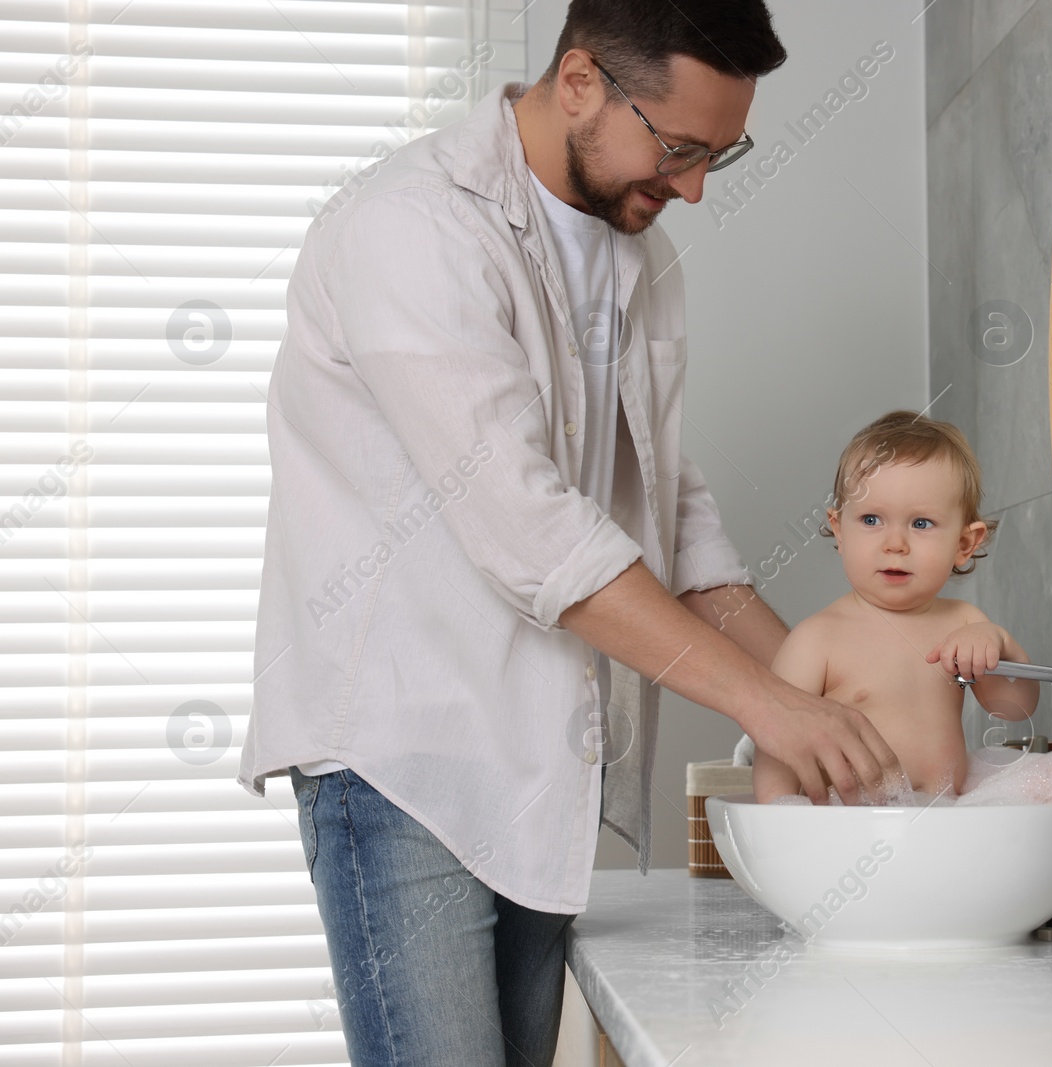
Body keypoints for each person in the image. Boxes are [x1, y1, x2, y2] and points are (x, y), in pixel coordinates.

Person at [237, 2, 901, 1064]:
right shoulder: (411, 228)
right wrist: (765, 704)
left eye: (717, 159)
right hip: (405, 761)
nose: (688, 188)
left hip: (542, 767)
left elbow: (669, 518)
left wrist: (845, 699)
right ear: (581, 81)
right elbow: (530, 528)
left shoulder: (640, 261)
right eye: (678, 148)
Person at [752, 411, 1040, 803]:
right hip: (849, 827)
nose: (895, 544)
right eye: (871, 519)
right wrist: (780, 815)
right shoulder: (818, 639)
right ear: (840, 530)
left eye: (921, 524)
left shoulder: (965, 623)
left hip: (943, 820)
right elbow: (777, 744)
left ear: (964, 544)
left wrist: (999, 643)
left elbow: (1013, 709)